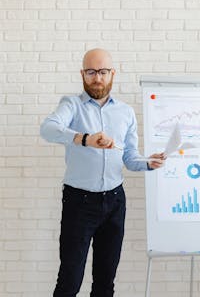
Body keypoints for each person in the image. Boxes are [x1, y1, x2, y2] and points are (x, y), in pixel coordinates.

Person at [40, 48, 166, 297]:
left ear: (112, 74)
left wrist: (148, 162)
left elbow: (129, 157)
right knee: (70, 280)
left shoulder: (126, 112)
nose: (97, 78)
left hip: (115, 202)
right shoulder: (72, 104)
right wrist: (84, 139)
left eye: (103, 72)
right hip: (79, 202)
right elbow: (48, 128)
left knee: (105, 281)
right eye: (91, 72)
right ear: (82, 74)